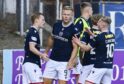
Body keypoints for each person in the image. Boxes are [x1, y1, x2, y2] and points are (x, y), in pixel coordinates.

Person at [72, 16, 115, 84]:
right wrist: (91, 34)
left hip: (100, 66)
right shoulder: (112, 35)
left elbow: (86, 48)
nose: (97, 23)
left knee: (87, 82)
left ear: (103, 24)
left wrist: (78, 42)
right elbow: (100, 40)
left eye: (99, 22)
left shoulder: (99, 37)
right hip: (109, 67)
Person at [43, 6, 78, 84]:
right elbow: (51, 38)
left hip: (64, 63)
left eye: (68, 15)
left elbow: (75, 47)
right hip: (52, 60)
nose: (66, 16)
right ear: (61, 14)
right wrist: (46, 52)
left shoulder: (74, 29)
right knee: (45, 82)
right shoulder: (56, 25)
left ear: (71, 15)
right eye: (64, 14)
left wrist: (71, 61)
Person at [22, 12, 49, 84]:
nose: (44, 22)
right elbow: (31, 48)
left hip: (28, 64)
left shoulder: (30, 31)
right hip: (32, 64)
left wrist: (41, 56)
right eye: (42, 20)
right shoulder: (33, 32)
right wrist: (42, 55)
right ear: (36, 20)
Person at [72, 2, 93, 84]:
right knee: (79, 78)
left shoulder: (86, 22)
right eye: (92, 10)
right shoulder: (80, 21)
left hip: (81, 55)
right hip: (76, 55)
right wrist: (75, 57)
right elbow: (74, 38)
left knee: (81, 78)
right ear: (88, 10)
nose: (92, 12)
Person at [78, 14, 102, 84]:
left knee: (82, 82)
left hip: (88, 61)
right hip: (99, 63)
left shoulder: (87, 32)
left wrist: (81, 58)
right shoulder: (103, 33)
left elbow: (82, 48)